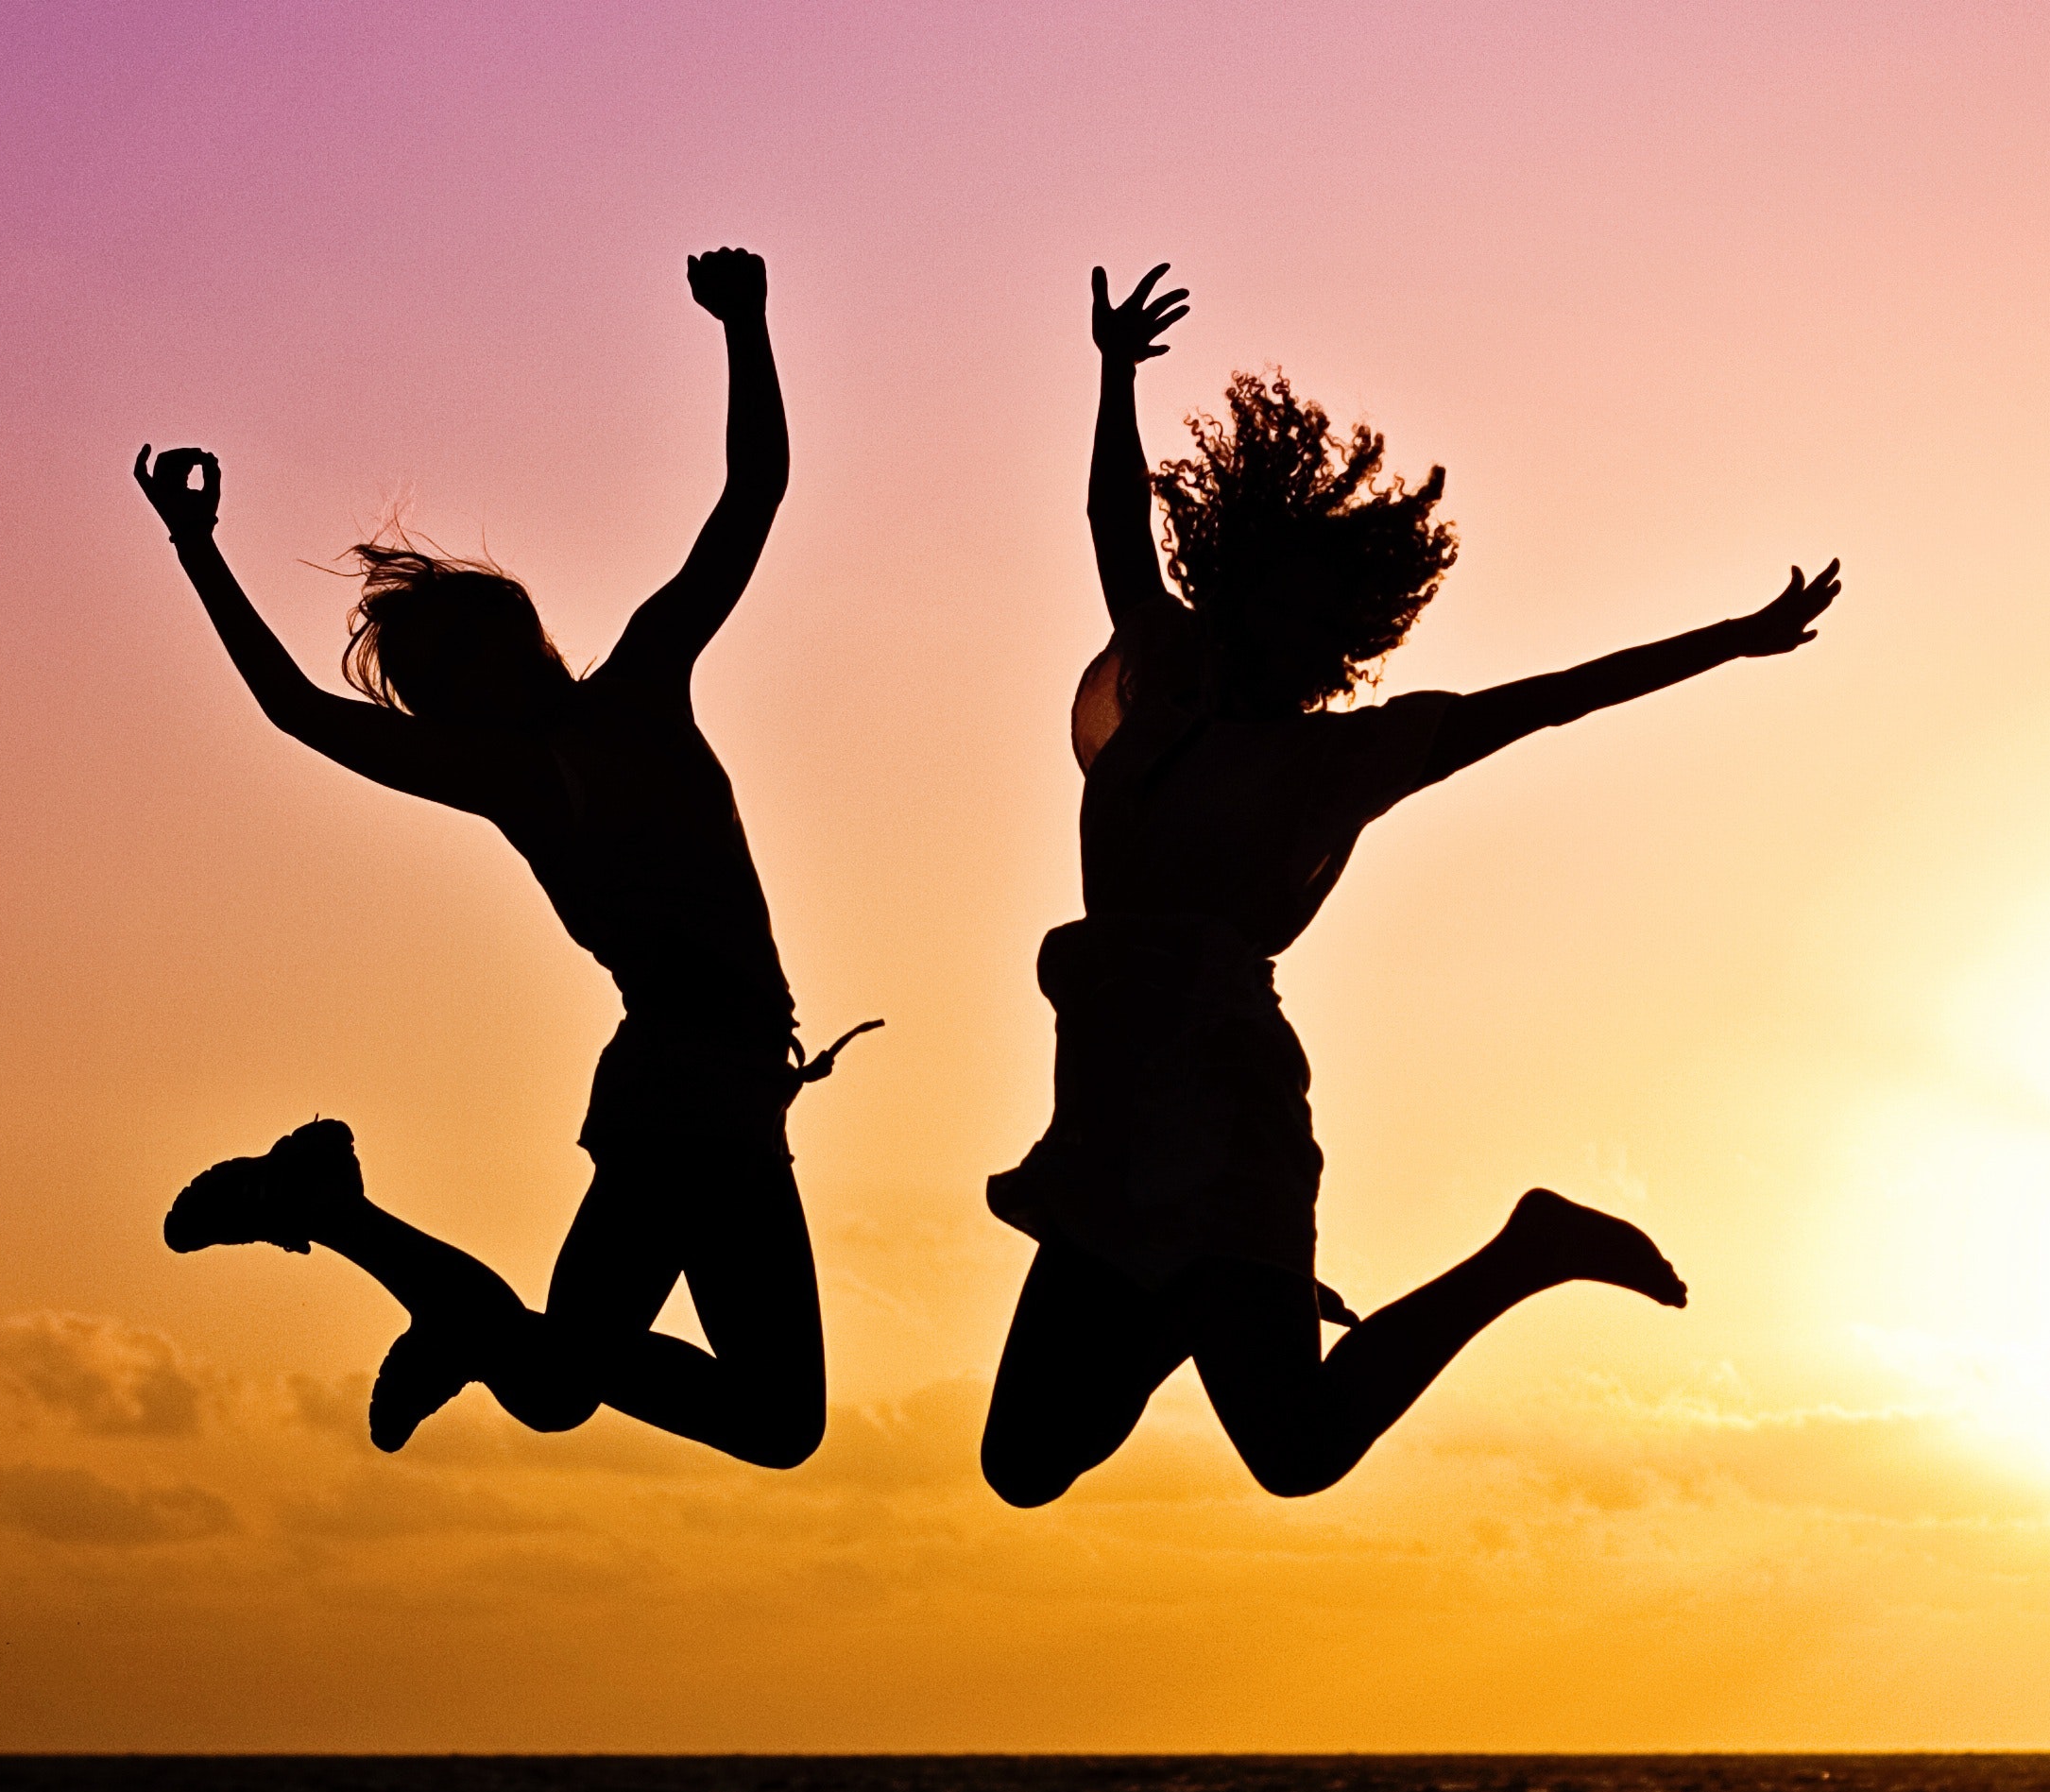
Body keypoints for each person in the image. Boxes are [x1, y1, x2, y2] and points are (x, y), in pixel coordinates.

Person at [981, 264, 1840, 1506]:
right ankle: (1188, 1299)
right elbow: (1115, 524)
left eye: (1320, 621)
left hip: (1224, 1114)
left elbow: (1553, 701)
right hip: (1110, 1104)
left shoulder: (1345, 758)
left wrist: (1734, 638)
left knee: (1296, 1447)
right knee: (1022, 1462)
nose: (1291, 634)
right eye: (1279, 598)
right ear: (1239, 576)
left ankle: (1526, 1250)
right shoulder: (1162, 672)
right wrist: (1115, 372)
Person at [129, 247, 866, 1468]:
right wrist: (196, 546)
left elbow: (753, 498)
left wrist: (747, 325)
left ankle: (364, 1235)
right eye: (428, 694)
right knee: (711, 1407)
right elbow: (297, 710)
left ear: (515, 641)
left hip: (704, 1080)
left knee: (571, 1384)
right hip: (692, 1082)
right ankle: (368, 1238)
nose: (437, 704)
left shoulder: (614, 702)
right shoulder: (537, 755)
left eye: (441, 677)